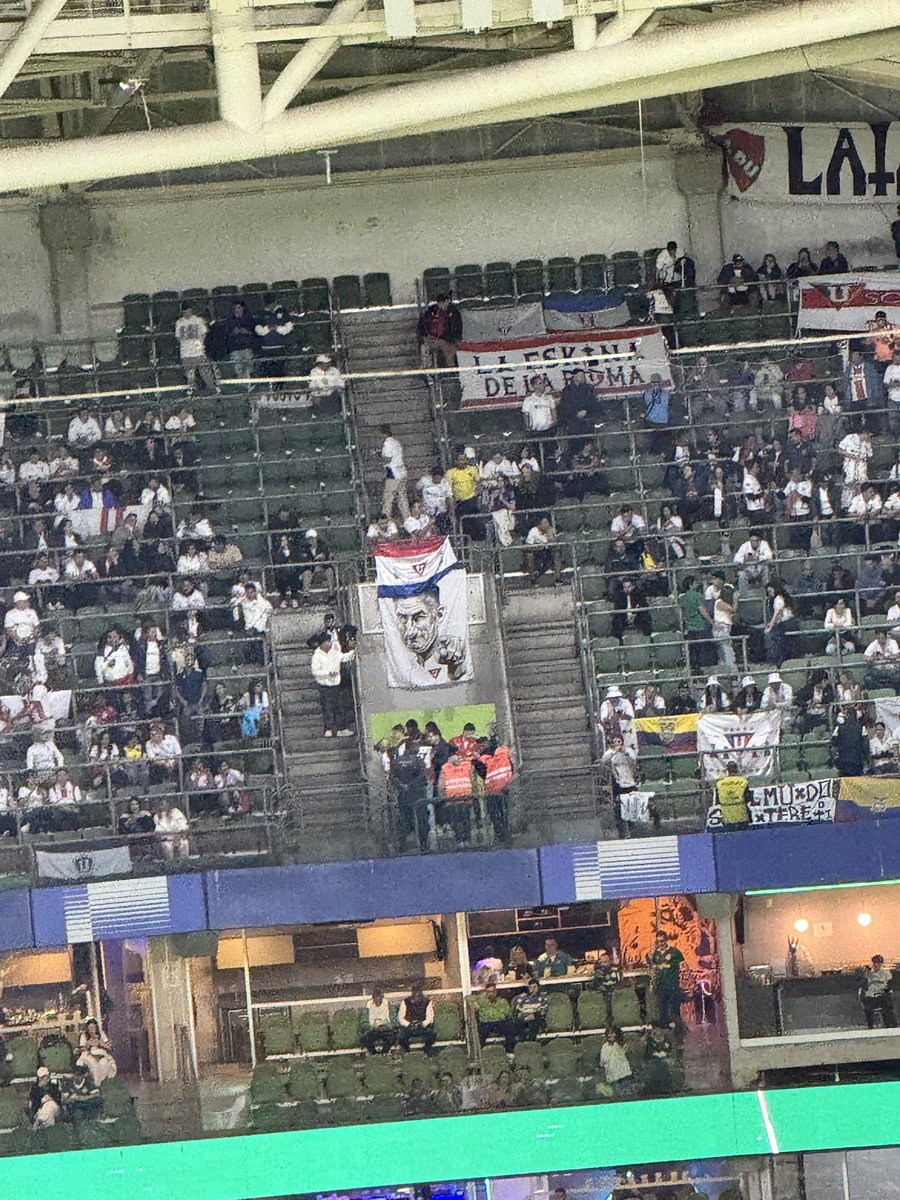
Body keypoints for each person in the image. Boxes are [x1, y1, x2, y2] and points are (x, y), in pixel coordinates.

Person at [391, 587, 468, 684]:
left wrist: (457, 668)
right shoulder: (407, 665)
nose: (410, 631)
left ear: (439, 615)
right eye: (403, 617)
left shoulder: (450, 653)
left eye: (419, 617)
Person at [311, 633, 355, 737]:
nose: (330, 644)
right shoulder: (317, 656)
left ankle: (341, 729)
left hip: (335, 685)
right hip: (324, 687)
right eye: (327, 642)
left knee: (339, 707)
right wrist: (328, 673)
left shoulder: (334, 653)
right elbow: (315, 671)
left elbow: (343, 657)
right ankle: (328, 729)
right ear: (322, 644)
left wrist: (353, 653)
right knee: (327, 708)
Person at [174, 304, 218, 393]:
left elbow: (204, 334)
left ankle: (213, 389)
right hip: (186, 353)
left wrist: (199, 344)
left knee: (206, 373)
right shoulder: (179, 322)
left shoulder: (198, 320)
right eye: (185, 312)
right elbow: (178, 337)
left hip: (199, 351)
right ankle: (192, 391)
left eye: (188, 311)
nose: (187, 314)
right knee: (190, 375)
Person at [648, 930, 685, 1033]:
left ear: (667, 940)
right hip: (661, 985)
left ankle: (679, 1029)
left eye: (663, 941)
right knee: (661, 1007)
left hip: (672, 984)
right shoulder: (656, 953)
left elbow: (682, 965)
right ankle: (665, 1029)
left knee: (674, 1008)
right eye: (658, 941)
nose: (661, 943)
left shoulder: (674, 952)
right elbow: (653, 965)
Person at [417, 294, 463, 367]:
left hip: (448, 338)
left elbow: (457, 327)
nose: (441, 305)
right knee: (447, 349)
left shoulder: (453, 312)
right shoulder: (431, 312)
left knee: (450, 350)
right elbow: (423, 325)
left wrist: (456, 339)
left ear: (447, 301)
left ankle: (450, 369)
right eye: (439, 303)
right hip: (433, 338)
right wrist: (425, 336)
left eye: (443, 302)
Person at [255, 297, 294, 382]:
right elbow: (258, 330)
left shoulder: (283, 312)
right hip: (266, 348)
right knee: (267, 372)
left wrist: (277, 328)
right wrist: (268, 328)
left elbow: (289, 328)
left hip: (280, 347)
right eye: (269, 305)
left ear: (275, 302)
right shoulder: (262, 313)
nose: (271, 306)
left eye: (272, 304)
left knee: (280, 372)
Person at [472, 981, 516, 1053]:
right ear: (486, 992)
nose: (491, 993)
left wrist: (504, 1015)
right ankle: (479, 1053)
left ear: (496, 991)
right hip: (486, 1022)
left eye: (493, 991)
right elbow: (467, 997)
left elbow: (509, 1013)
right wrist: (474, 1003)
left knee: (509, 1028)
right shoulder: (481, 1000)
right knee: (481, 1032)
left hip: (500, 1021)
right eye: (489, 991)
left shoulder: (502, 1001)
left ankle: (509, 1052)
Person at [380, 424, 409, 521]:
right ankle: (407, 519)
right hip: (402, 471)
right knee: (402, 498)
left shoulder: (387, 443)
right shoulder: (396, 442)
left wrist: (380, 459)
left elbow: (387, 459)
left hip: (393, 473)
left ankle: (386, 519)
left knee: (388, 498)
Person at [396, 983, 436, 1052]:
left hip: (422, 1027)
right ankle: (407, 1050)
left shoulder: (427, 1002)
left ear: (421, 995)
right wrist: (408, 1024)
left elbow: (430, 1017)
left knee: (432, 1034)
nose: (416, 998)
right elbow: (400, 1017)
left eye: (418, 996)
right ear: (412, 994)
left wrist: (423, 1024)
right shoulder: (405, 1002)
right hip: (409, 1026)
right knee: (400, 1036)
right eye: (415, 996)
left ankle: (426, 1049)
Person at [859, 955, 896, 1029]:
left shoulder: (886, 973)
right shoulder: (869, 973)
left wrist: (887, 990)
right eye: (875, 963)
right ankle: (870, 1025)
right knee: (867, 1005)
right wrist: (864, 974)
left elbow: (890, 985)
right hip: (871, 995)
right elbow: (863, 984)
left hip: (881, 994)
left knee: (886, 1003)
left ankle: (889, 1024)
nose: (876, 965)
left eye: (878, 963)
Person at [222, 299, 256, 378]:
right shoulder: (229, 319)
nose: (237, 310)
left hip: (247, 345)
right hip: (235, 347)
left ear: (243, 308)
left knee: (249, 364)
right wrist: (233, 332)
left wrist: (246, 331)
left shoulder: (249, 318)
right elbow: (226, 333)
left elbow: (254, 330)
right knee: (238, 366)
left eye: (239, 308)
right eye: (236, 308)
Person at [524, 517, 563, 585]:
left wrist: (551, 537)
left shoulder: (551, 530)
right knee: (529, 555)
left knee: (557, 554)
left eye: (547, 523)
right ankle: (533, 578)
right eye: (544, 523)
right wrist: (539, 546)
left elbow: (555, 544)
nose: (547, 525)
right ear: (539, 525)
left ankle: (558, 578)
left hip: (548, 551)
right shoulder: (533, 531)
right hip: (537, 551)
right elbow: (528, 546)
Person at [714, 761, 750, 830]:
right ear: (736, 769)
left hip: (727, 817)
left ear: (727, 770)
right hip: (742, 816)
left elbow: (717, 801)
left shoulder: (720, 784)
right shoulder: (743, 782)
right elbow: (748, 799)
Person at [600, 1027, 634, 1096]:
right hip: (612, 1078)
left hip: (624, 1076)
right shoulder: (605, 1046)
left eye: (612, 1033)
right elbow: (602, 1062)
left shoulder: (621, 1044)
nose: (609, 1035)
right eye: (608, 1034)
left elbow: (629, 1050)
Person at [361, 987, 395, 1054]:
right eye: (376, 998)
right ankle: (372, 1054)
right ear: (373, 998)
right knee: (368, 1037)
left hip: (386, 1029)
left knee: (390, 1036)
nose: (378, 1000)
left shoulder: (387, 1004)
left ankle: (386, 1052)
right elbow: (364, 1021)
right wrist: (372, 1026)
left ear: (382, 997)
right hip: (373, 1029)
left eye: (380, 998)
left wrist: (388, 1025)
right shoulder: (368, 1006)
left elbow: (393, 1019)